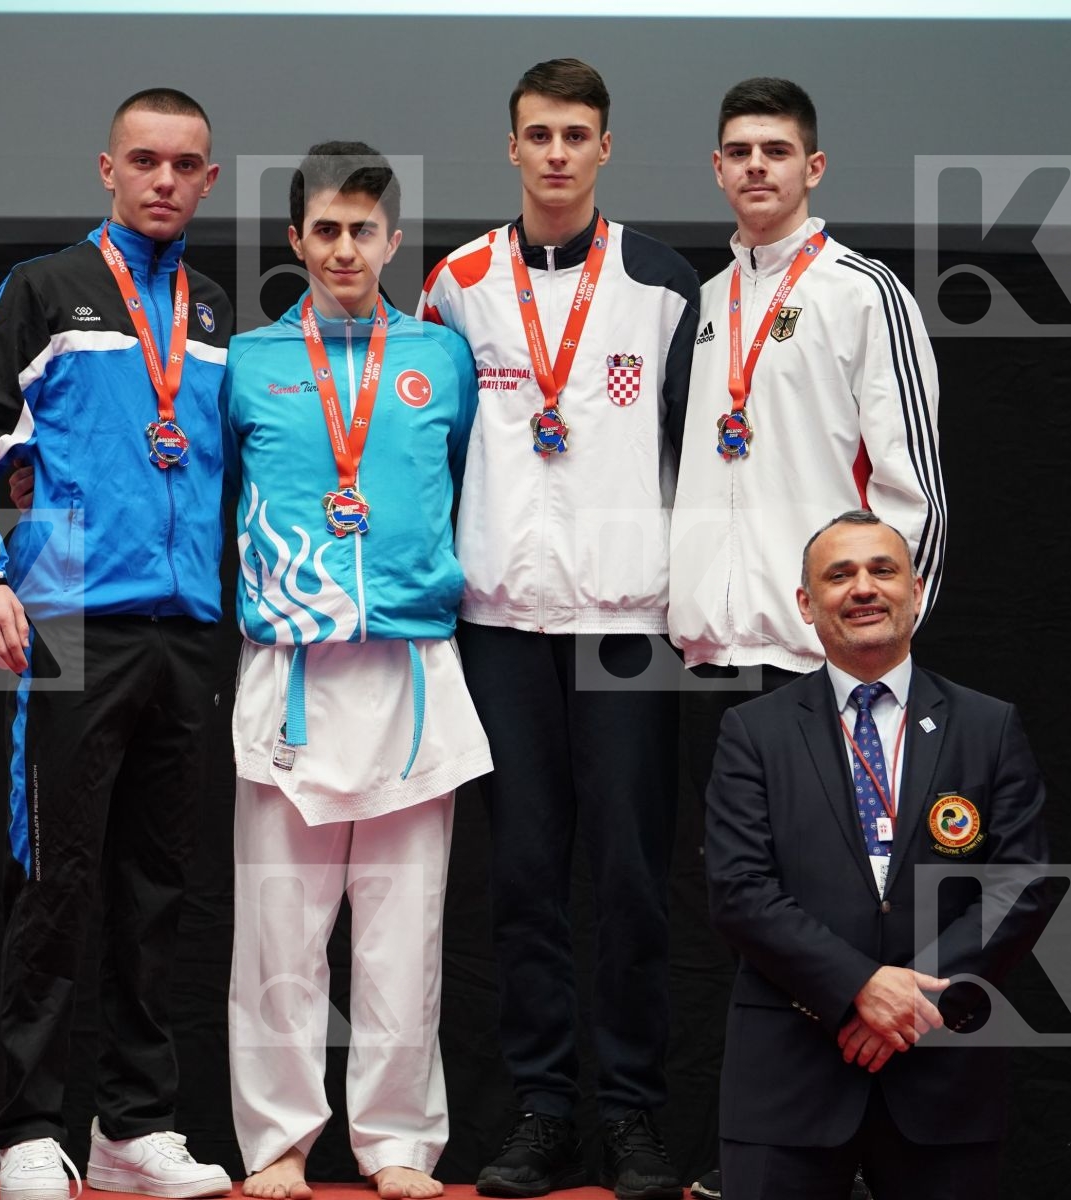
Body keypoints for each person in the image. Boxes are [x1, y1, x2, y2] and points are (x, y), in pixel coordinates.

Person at [0, 88, 234, 1200]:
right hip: (73, 625)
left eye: (185, 164)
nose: (164, 179)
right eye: (144, 160)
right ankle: (27, 1132)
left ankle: (132, 1127)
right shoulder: (45, 289)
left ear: (208, 179)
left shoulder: (211, 315)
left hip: (188, 636)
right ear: (107, 169)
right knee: (54, 883)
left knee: (157, 888)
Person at [416, 58, 698, 1200]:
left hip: (628, 618)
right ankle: (542, 1111)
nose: (558, 154)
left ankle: (631, 1114)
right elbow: (423, 449)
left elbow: (704, 451)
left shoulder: (668, 283)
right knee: (525, 877)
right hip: (498, 622)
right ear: (513, 147)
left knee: (631, 876)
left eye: (578, 134)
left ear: (607, 148)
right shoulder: (458, 283)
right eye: (539, 134)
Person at [668, 77, 948, 1200]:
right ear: (717, 169)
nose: (755, 169)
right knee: (754, 912)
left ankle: (874, 1152)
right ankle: (776, 1156)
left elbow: (913, 483)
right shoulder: (705, 298)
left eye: (776, 151)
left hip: (831, 655)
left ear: (814, 168)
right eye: (736, 151)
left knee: (851, 906)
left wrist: (880, 639)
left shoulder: (861, 291)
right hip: (727, 647)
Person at [223, 141, 490, 1200]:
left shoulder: (441, 357)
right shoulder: (244, 362)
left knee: (403, 936)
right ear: (295, 240)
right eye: (324, 230)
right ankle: (278, 1142)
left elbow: (464, 477)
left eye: (363, 229)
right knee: (280, 939)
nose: (343, 248)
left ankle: (394, 1145)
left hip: (415, 675)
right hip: (288, 670)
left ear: (392, 239)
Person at [705, 510, 1051, 1200]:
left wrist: (911, 1002)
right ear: (806, 605)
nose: (863, 588)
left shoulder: (989, 725)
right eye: (839, 575)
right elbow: (739, 889)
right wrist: (859, 988)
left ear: (916, 591)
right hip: (789, 1079)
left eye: (882, 570)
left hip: (943, 1079)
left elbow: (1024, 883)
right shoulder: (752, 732)